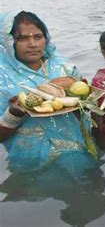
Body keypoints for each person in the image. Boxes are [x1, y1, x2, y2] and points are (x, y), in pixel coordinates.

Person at [0, 11, 97, 176]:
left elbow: (88, 116)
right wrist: (13, 114)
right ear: (7, 42)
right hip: (31, 165)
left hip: (78, 152)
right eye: (22, 38)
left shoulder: (65, 69)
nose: (33, 44)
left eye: (38, 37)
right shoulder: (2, 78)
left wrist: (84, 102)